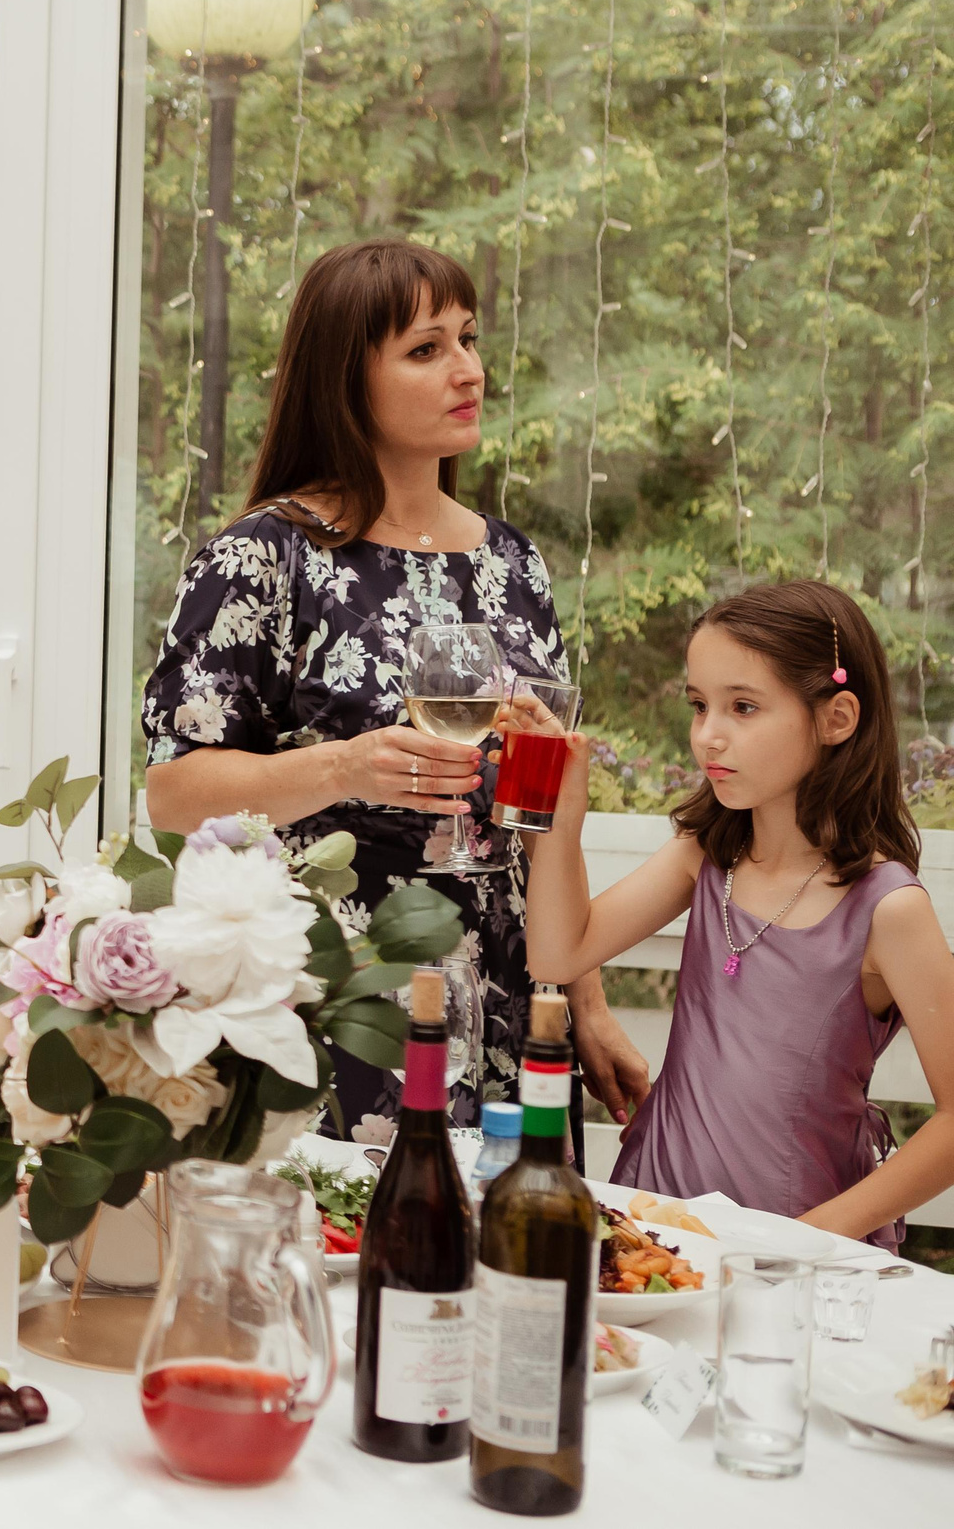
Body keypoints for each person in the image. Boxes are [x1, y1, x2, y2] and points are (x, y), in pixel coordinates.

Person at [140, 237, 649, 1143]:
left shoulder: (514, 562)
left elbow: (542, 805)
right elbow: (175, 795)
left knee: (510, 1267)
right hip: (344, 1003)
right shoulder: (263, 557)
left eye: (468, 339)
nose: (468, 369)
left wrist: (590, 1001)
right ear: (347, 380)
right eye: (426, 349)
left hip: (511, 1005)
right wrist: (345, 766)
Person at [526, 581, 954, 1247]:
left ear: (837, 718)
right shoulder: (706, 856)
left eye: (743, 706)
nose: (708, 735)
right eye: (699, 705)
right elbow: (558, 953)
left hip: (793, 1251)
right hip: (654, 1222)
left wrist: (807, 1237)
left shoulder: (887, 908)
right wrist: (563, 813)